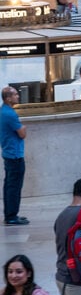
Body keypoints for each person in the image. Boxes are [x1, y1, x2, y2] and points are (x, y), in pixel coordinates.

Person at [1, 86, 27, 226]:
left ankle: (11, 214)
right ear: (8, 98)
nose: (18, 96)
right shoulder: (9, 114)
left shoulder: (4, 111)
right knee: (14, 187)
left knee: (10, 186)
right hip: (15, 155)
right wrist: (23, 128)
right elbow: (22, 133)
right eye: (15, 94)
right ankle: (11, 217)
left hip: (9, 153)